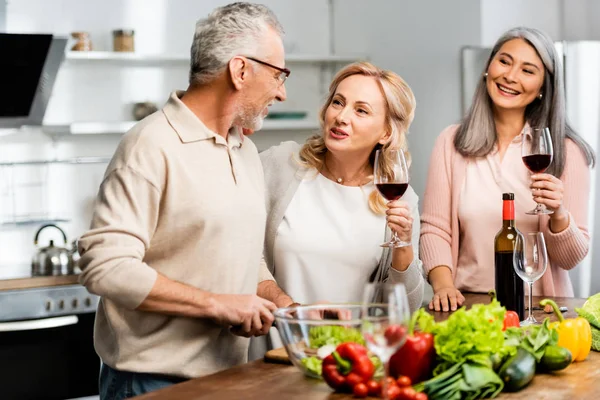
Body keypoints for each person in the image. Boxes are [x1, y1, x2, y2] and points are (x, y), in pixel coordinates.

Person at [77, 3, 296, 398]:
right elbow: (105, 267)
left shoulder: (243, 149)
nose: (281, 92)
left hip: (228, 377)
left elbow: (243, 253)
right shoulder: (149, 146)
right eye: (278, 75)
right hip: (150, 382)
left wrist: (281, 304)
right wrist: (218, 305)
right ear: (240, 70)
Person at [421, 27, 595, 312]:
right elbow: (435, 229)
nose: (511, 76)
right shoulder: (451, 142)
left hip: (538, 309)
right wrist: (443, 286)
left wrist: (559, 214)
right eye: (504, 61)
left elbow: (570, 259)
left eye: (528, 70)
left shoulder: (566, 151)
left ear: (543, 87)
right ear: (488, 67)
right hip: (467, 304)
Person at [261, 61, 424, 312]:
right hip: (279, 345)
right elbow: (243, 256)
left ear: (386, 133)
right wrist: (290, 308)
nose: (341, 117)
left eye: (361, 111)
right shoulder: (280, 164)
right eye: (338, 102)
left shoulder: (401, 201)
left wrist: (403, 245)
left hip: (352, 348)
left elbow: (405, 309)